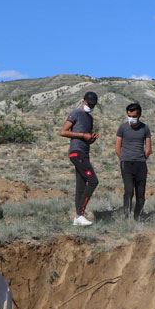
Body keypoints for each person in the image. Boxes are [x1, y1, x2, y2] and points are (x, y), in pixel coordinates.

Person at [60, 90, 101, 227]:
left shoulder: (90, 118)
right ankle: (80, 214)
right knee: (93, 181)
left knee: (81, 186)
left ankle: (78, 218)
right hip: (76, 152)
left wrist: (90, 139)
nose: (91, 106)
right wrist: (83, 135)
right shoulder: (76, 113)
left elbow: (86, 138)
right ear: (83, 100)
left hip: (84, 152)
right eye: (89, 104)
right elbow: (63, 131)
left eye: (93, 105)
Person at [115, 102, 152, 219]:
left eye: (134, 116)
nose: (131, 118)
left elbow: (148, 148)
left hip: (141, 164)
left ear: (139, 115)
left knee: (140, 194)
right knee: (129, 191)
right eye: (129, 116)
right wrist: (124, 158)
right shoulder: (122, 127)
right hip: (126, 163)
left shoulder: (145, 128)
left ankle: (137, 217)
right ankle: (126, 217)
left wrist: (142, 158)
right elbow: (117, 147)